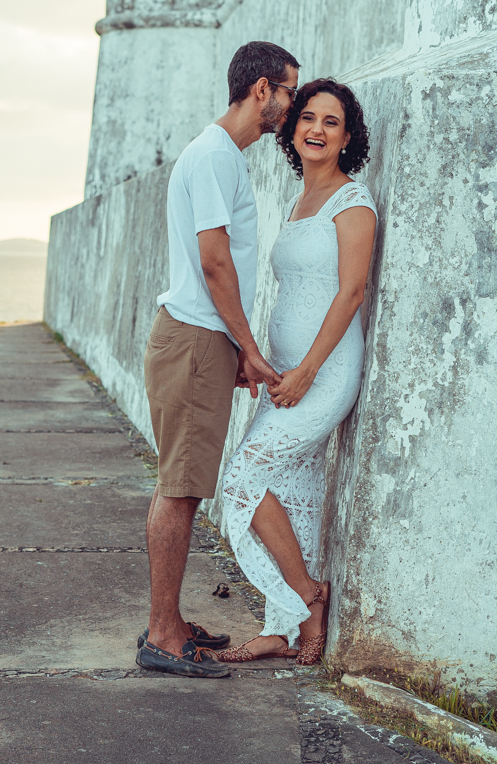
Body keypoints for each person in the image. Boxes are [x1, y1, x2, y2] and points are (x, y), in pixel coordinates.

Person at [137, 41, 300, 678]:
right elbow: (214, 261)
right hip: (194, 342)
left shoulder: (222, 156)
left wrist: (233, 347)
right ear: (262, 90)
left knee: (182, 484)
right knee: (180, 488)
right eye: (288, 91)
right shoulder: (213, 156)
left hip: (200, 341)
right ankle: (162, 636)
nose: (291, 104)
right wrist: (248, 349)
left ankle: (171, 623)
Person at [214, 79, 377, 665]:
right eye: (308, 117)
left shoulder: (352, 203)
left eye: (331, 122)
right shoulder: (299, 200)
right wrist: (259, 356)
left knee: (243, 479)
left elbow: (351, 293)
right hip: (284, 373)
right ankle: (285, 629)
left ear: (347, 137)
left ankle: (308, 595)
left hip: (323, 375)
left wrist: (308, 370)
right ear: (292, 128)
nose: (316, 129)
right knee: (291, 492)